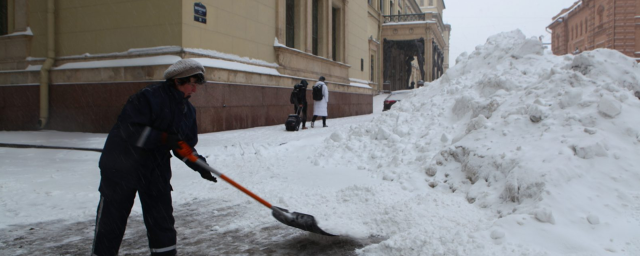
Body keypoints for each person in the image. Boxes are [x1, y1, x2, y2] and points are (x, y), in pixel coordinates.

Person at [91, 59, 217, 256]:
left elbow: (182, 146)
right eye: (192, 84)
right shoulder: (148, 98)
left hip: (154, 171)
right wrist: (163, 137)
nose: (195, 90)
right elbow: (129, 130)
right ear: (178, 81)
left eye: (197, 85)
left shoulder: (187, 111)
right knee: (111, 223)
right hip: (121, 167)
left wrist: (198, 164)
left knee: (162, 224)